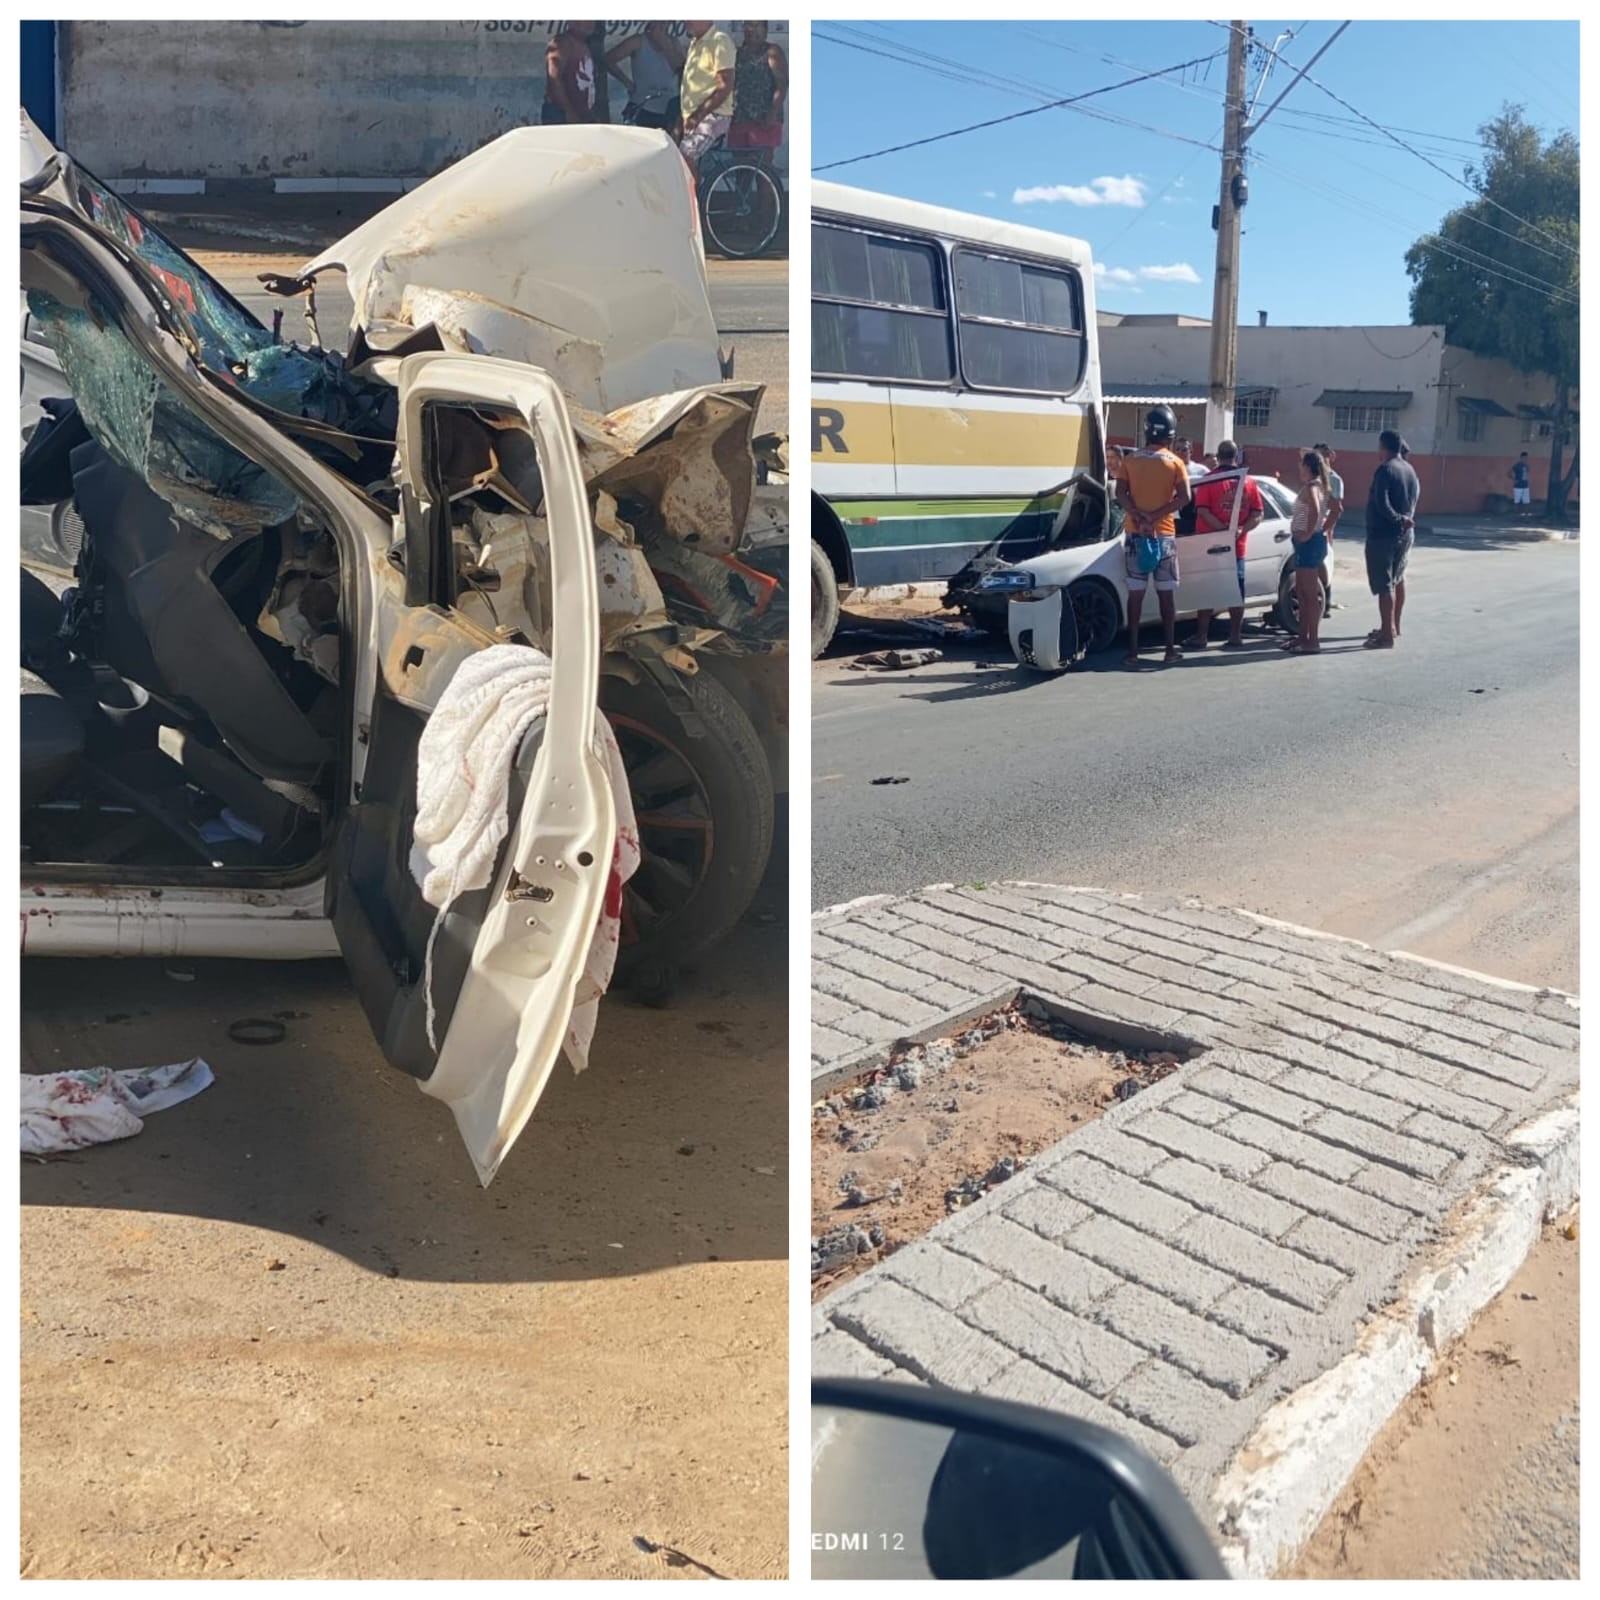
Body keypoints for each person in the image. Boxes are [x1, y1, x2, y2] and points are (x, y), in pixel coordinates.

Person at [1114, 405, 1191, 666]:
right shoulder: (1176, 463)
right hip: (1164, 536)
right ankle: (1169, 650)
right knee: (1166, 596)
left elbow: (1119, 493)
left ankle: (1133, 652)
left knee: (1135, 595)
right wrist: (1157, 515)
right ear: (1169, 436)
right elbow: (1185, 497)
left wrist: (1138, 514)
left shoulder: (1130, 460)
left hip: (1136, 535)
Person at [1190, 440, 1264, 650]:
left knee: (1206, 589)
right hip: (1236, 546)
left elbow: (1202, 510)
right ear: (1235, 457)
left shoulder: (1209, 480)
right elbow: (1258, 514)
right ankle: (1235, 635)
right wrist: (1239, 530)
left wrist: (1222, 531)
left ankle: (1201, 636)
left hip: (1210, 544)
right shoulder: (1247, 482)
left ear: (1218, 456)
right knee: (1236, 591)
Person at [1363, 429, 1420, 650]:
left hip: (1384, 535)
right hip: (1404, 534)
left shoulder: (1385, 470)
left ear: (1383, 447)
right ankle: (1393, 626)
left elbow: (1381, 502)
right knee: (1397, 579)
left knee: (1384, 584)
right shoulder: (1410, 469)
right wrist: (1405, 520)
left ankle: (1386, 635)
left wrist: (1397, 519)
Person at [1282, 451, 1330, 654]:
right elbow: (1336, 509)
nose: (1299, 468)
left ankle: (1313, 640)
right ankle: (1303, 637)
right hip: (1311, 543)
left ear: (1308, 466)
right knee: (1301, 592)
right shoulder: (1321, 485)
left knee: (1309, 594)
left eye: (1302, 464)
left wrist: (1309, 532)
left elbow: (1316, 510)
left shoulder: (1312, 487)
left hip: (1309, 545)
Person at [679, 21, 737, 171]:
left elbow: (725, 86)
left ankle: (693, 195)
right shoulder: (695, 42)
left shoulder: (719, 40)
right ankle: (694, 193)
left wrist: (697, 116)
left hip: (713, 116)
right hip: (694, 117)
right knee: (679, 159)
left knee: (685, 157)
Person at [729, 22, 788, 165]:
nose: (751, 30)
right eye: (748, 25)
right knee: (740, 170)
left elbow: (782, 84)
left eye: (756, 26)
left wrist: (772, 114)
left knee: (763, 169)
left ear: (765, 30)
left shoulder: (772, 51)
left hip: (764, 120)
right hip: (739, 118)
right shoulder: (736, 53)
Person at [607, 21, 684, 129]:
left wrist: (666, 46)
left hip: (668, 109)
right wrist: (627, 83)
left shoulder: (674, 42)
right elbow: (608, 59)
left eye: (666, 23)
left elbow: (681, 70)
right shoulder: (638, 41)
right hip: (642, 106)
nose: (663, 26)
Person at [542, 22, 598, 125]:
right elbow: (554, 78)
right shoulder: (563, 42)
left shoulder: (584, 44)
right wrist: (568, 111)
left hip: (581, 115)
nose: (590, 23)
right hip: (562, 115)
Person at [1313, 442, 1344, 608]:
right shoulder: (1312, 476)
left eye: (1321, 456)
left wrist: (1328, 529)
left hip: (1324, 527)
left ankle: (1326, 601)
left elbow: (1336, 508)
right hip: (1313, 526)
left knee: (1324, 563)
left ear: (1329, 457)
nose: (1318, 461)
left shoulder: (1334, 479)